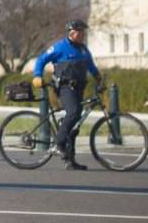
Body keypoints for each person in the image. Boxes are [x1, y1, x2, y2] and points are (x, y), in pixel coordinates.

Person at [32, 19, 102, 170]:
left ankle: (70, 160)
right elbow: (41, 59)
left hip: (79, 88)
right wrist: (38, 75)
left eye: (84, 31)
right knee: (74, 112)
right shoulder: (60, 47)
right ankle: (58, 143)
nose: (82, 34)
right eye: (80, 31)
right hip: (64, 87)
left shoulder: (83, 49)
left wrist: (98, 77)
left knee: (75, 123)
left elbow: (90, 65)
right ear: (71, 32)